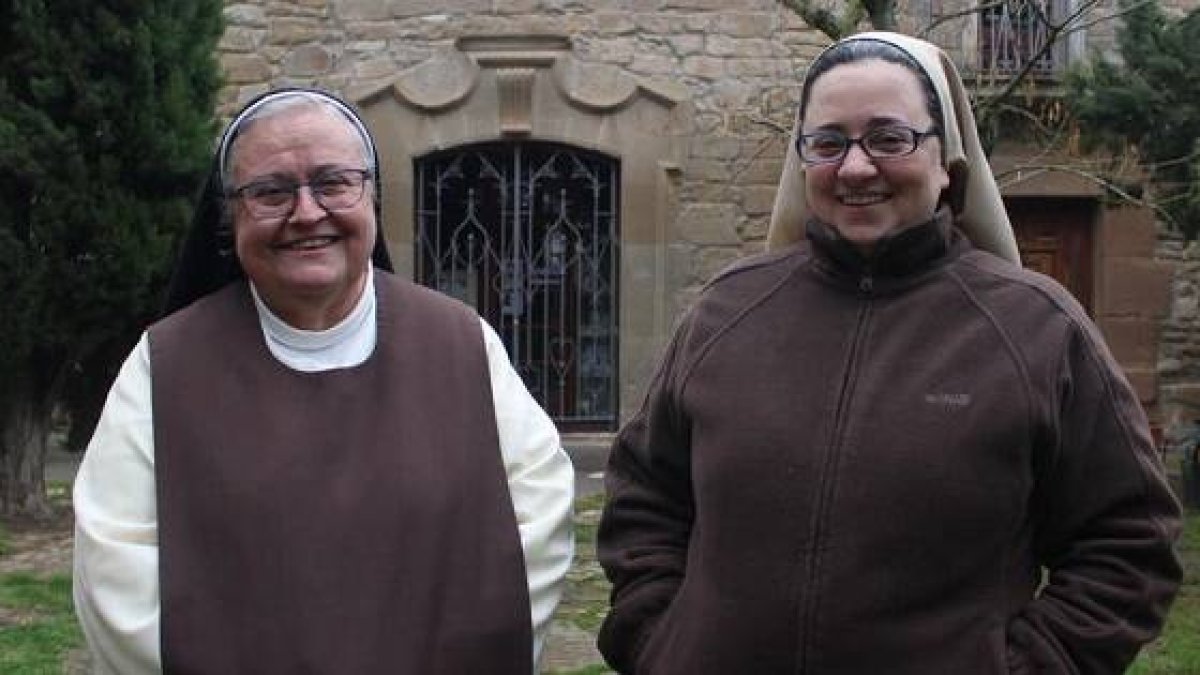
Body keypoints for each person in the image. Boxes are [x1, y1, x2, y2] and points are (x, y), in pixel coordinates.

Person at [596, 31, 1182, 675]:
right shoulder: (725, 314)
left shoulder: (1039, 329)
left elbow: (1128, 543)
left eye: (888, 137)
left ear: (945, 159)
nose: (855, 167)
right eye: (828, 142)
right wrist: (659, 638)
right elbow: (644, 498)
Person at [72, 88, 575, 674]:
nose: (307, 212)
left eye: (334, 182)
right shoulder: (167, 366)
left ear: (372, 197)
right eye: (270, 191)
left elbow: (535, 518)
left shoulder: (461, 345)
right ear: (231, 214)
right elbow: (116, 560)